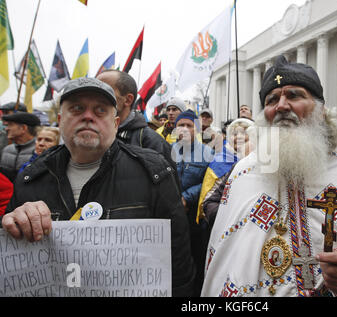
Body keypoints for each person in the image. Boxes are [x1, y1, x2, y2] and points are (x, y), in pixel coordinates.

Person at [202, 55, 337, 297]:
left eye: (294, 95)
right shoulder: (243, 173)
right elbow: (222, 260)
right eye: (272, 99)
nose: (281, 105)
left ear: (321, 110)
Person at [1, 78, 195, 297]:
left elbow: (178, 266)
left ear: (115, 123)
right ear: (60, 120)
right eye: (77, 109)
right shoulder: (31, 178)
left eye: (100, 110)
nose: (87, 116)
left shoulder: (154, 173)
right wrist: (14, 222)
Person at [96, 70, 176, 174]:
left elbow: (167, 187)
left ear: (128, 100)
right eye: (95, 90)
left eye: (106, 91)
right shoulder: (88, 133)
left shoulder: (152, 142)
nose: (95, 97)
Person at [171, 109, 214, 296]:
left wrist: (187, 197)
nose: (185, 129)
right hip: (171, 214)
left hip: (195, 218)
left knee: (197, 258)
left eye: (189, 125)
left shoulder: (208, 152)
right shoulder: (166, 150)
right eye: (181, 125)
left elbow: (210, 182)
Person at [197, 118, 255, 229]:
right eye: (234, 133)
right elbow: (209, 200)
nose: (239, 137)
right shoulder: (220, 160)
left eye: (244, 133)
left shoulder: (260, 163)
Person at [0, 112, 40, 181]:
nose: (6, 129)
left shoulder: (39, 152)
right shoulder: (6, 150)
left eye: (10, 125)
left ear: (23, 128)